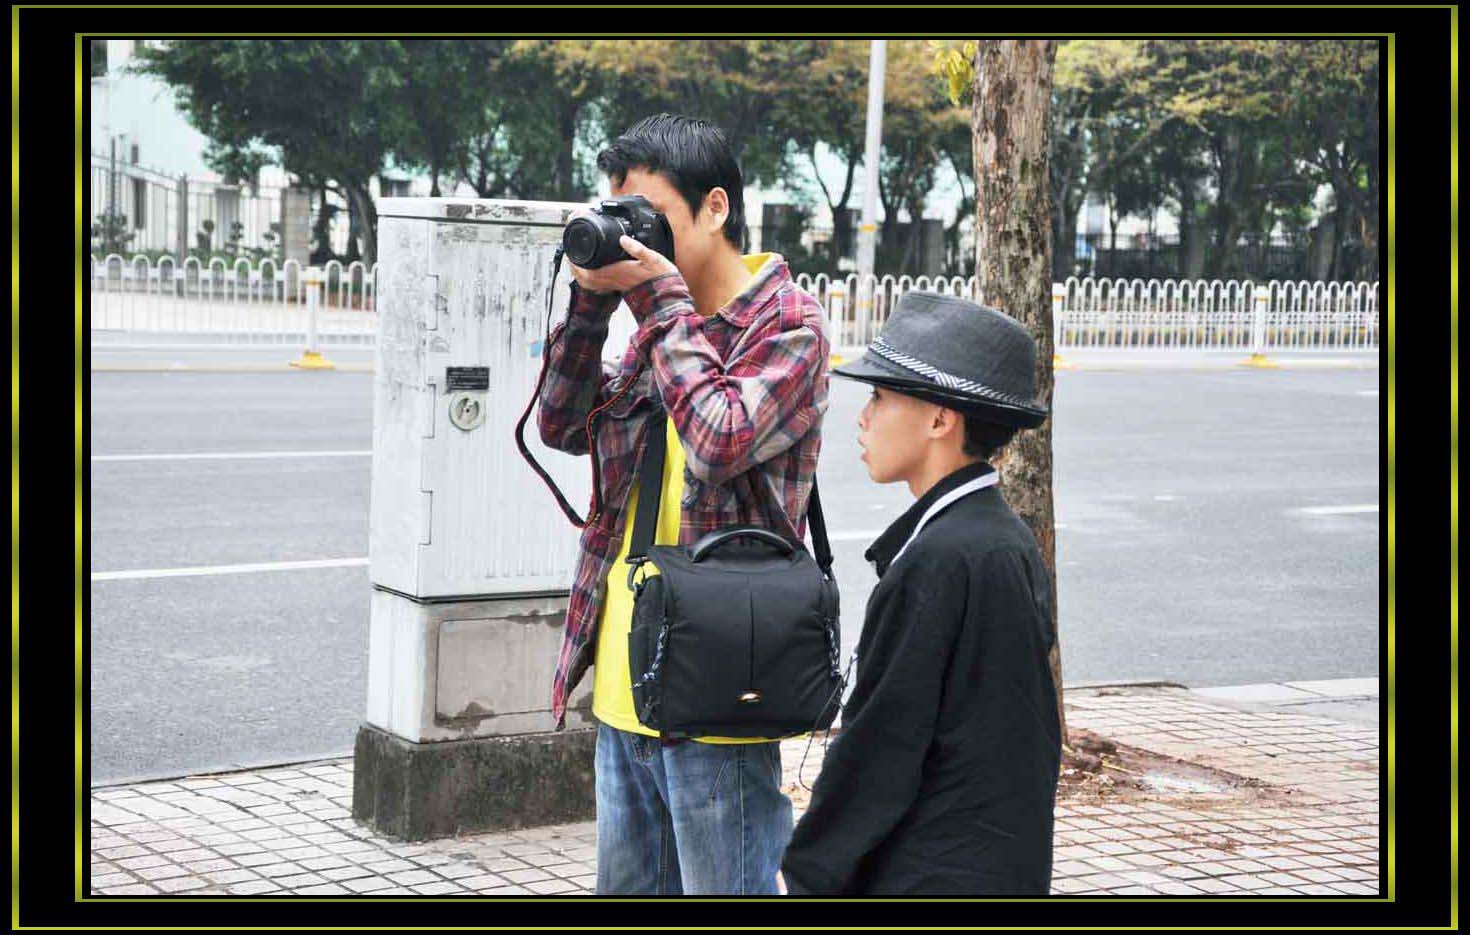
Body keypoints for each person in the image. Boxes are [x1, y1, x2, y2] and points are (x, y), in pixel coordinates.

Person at [535, 113, 830, 895]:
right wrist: (590, 307)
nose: (637, 237)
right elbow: (563, 426)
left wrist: (663, 304)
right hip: (627, 676)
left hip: (721, 685)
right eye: (621, 215)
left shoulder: (787, 324)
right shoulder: (654, 325)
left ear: (715, 207)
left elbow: (718, 440)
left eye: (651, 217)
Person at [779, 290, 1062, 896]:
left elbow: (879, 748)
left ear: (939, 420)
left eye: (880, 397)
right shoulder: (1000, 538)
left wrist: (810, 874)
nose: (863, 417)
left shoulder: (939, 560)